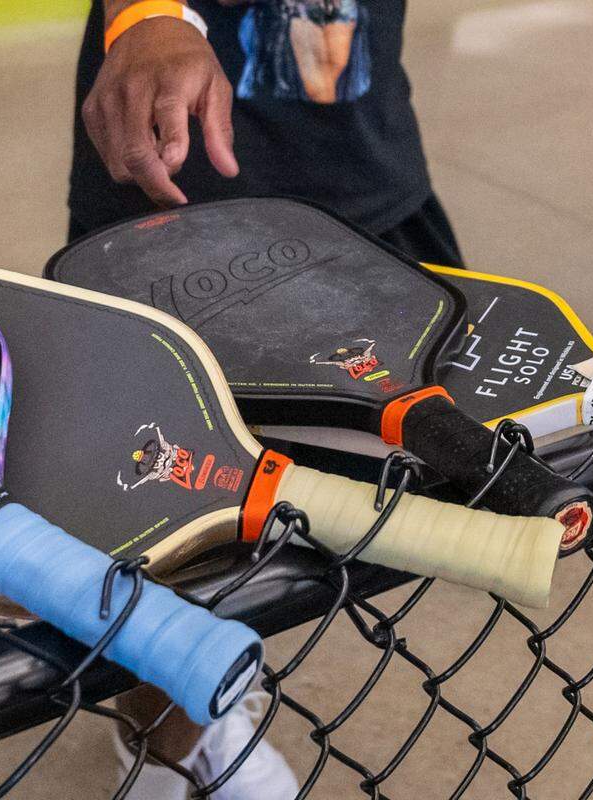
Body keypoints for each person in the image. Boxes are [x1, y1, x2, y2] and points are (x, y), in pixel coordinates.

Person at [71, 1, 463, 797]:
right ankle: (166, 742)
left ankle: (207, 697)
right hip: (180, 177)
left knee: (329, 507)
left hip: (363, 148)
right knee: (177, 512)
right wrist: (148, 14)